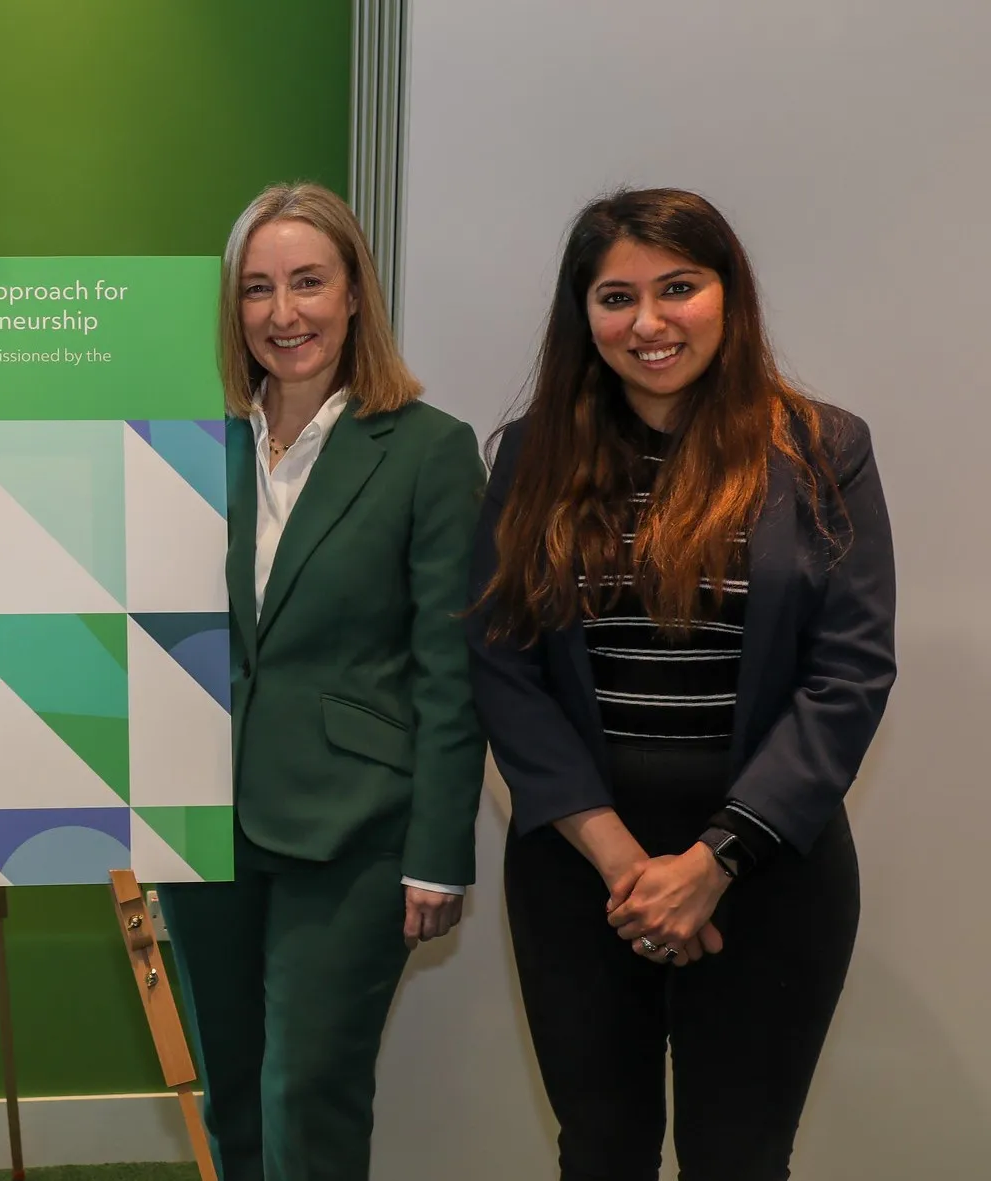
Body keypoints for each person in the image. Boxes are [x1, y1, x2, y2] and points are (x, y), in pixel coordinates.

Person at [467, 187, 895, 1180]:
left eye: (676, 288)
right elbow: (500, 661)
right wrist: (620, 861)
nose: (647, 322)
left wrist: (713, 858)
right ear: (583, 316)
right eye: (615, 296)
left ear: (726, 294)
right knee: (600, 1150)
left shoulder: (824, 449)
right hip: (580, 865)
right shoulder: (530, 454)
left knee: (735, 1155)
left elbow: (850, 669)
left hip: (768, 862)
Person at [155, 182, 487, 1181]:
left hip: (353, 830)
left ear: (353, 295)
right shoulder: (187, 442)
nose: (282, 312)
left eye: (307, 282)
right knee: (235, 1097)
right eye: (256, 288)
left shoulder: (428, 450)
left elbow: (450, 667)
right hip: (201, 819)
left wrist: (439, 850)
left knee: (309, 1093)